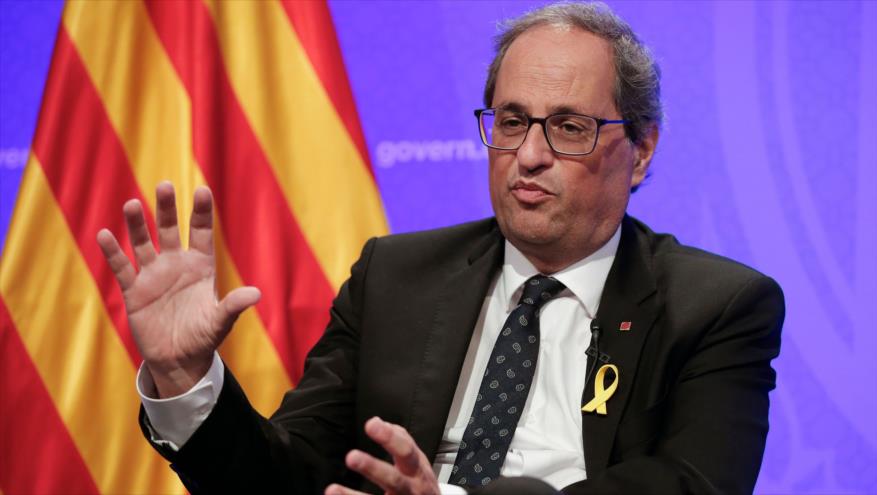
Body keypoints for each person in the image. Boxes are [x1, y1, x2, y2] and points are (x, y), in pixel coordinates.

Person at [97, 2, 784, 494]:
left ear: (641, 150)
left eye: (569, 127)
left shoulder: (715, 307)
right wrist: (187, 379)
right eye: (511, 121)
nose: (530, 155)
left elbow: (687, 484)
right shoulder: (394, 276)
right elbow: (285, 474)